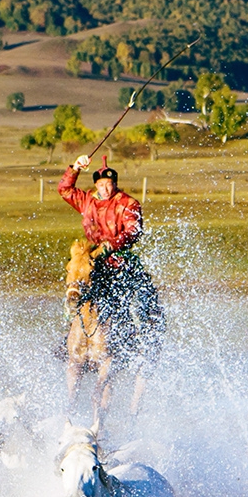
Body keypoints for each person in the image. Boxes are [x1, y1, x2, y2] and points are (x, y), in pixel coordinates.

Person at [59, 153, 164, 359]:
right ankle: (69, 337)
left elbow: (134, 231)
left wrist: (112, 244)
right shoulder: (88, 200)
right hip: (92, 258)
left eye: (109, 184)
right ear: (96, 185)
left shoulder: (128, 203)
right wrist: (76, 168)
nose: (105, 189)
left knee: (133, 299)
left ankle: (139, 337)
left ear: (114, 184)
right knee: (74, 290)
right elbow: (64, 190)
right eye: (101, 185)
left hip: (119, 259)